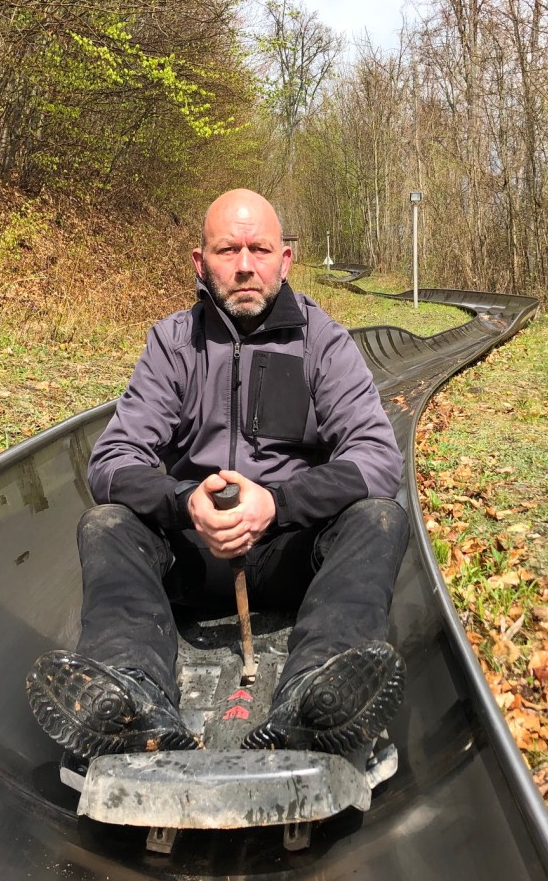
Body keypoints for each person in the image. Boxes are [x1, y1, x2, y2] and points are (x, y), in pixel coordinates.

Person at [27, 188, 410, 760]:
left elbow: (379, 457)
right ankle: (132, 695)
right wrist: (187, 504)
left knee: (378, 516)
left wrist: (277, 503)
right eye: (228, 250)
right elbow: (110, 462)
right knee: (106, 523)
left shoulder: (322, 342)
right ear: (201, 263)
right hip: (195, 557)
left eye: (260, 249)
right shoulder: (172, 344)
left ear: (285, 259)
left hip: (291, 554)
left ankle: (318, 692)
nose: (245, 265)